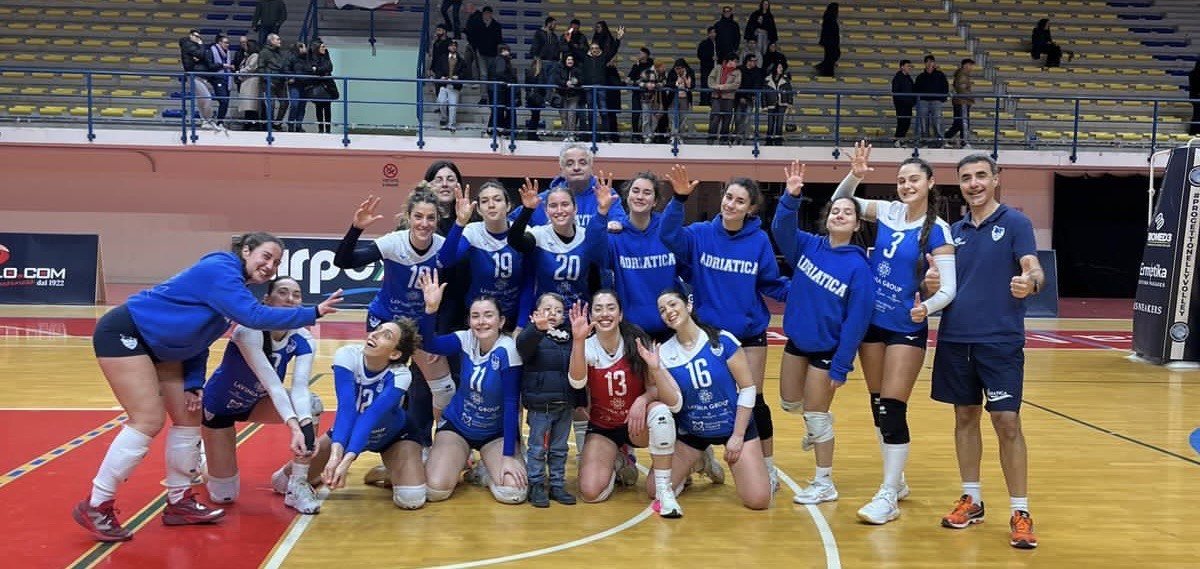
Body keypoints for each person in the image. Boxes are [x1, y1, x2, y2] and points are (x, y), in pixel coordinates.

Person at [74, 233, 342, 542]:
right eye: (266, 257)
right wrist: (313, 312)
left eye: (277, 262)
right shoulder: (220, 268)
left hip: (166, 349)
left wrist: (193, 382)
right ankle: (97, 504)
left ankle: (179, 501)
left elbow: (198, 340)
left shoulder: (234, 291)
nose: (270, 266)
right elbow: (253, 316)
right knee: (148, 420)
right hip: (127, 332)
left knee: (189, 417)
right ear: (246, 251)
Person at [831, 141, 957, 524]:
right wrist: (855, 175)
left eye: (913, 179)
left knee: (892, 406)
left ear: (930, 183)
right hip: (872, 324)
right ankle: (896, 480)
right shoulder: (887, 211)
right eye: (901, 180)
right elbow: (841, 203)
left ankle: (887, 495)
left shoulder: (938, 230)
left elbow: (949, 289)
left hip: (906, 327)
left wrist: (926, 308)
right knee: (877, 403)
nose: (906, 185)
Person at [933, 154, 1043, 549]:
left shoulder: (1015, 223)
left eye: (981, 175)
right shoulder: (952, 232)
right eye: (966, 178)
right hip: (955, 338)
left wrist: (1030, 281)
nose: (974, 183)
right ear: (959, 184)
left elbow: (1033, 267)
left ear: (996, 179)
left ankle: (1020, 510)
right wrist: (930, 281)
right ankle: (972, 499)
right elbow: (938, 281)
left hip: (1000, 340)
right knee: (965, 417)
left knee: (1007, 422)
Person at [661, 165, 788, 492]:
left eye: (740, 201)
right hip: (709, 337)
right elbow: (668, 235)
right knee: (697, 398)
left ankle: (767, 467)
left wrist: (805, 291)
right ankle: (698, 456)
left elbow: (770, 283)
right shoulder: (700, 234)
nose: (731, 204)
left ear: (751, 208)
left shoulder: (758, 241)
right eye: (729, 197)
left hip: (748, 335)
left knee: (755, 400)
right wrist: (678, 200)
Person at [771, 160, 874, 505]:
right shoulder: (809, 245)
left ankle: (824, 482)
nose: (840, 215)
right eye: (835, 210)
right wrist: (791, 197)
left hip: (827, 352)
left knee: (817, 416)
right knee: (789, 402)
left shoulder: (859, 268)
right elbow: (781, 228)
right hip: (796, 342)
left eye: (848, 212)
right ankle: (817, 424)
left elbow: (856, 323)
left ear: (857, 224)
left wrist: (841, 366)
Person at [332, 191, 457, 461]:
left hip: (421, 324)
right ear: (408, 217)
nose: (424, 223)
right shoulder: (393, 242)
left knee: (444, 388)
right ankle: (369, 444)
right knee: (380, 388)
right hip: (386, 321)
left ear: (438, 220)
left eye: (431, 218)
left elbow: (449, 294)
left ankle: (443, 447)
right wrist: (356, 228)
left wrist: (437, 333)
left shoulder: (443, 247)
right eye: (418, 217)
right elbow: (343, 261)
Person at [200, 276, 322, 514]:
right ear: (266, 300)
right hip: (221, 407)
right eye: (283, 293)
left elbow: (299, 388)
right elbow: (274, 385)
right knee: (223, 496)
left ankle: (292, 483)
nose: (290, 299)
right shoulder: (248, 331)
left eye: (296, 295)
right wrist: (295, 428)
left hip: (257, 402)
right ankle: (204, 456)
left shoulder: (303, 338)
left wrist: (306, 427)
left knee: (312, 403)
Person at [652, 288, 771, 510]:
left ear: (688, 305)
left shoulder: (722, 340)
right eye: (662, 310)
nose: (668, 311)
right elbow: (675, 404)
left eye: (672, 304)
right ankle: (700, 460)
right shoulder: (664, 353)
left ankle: (717, 458)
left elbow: (747, 388)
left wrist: (738, 435)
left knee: (758, 500)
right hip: (693, 431)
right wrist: (656, 370)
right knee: (653, 490)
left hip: (732, 426)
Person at [567, 292, 684, 515]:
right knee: (591, 493)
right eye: (598, 309)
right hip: (604, 426)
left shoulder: (637, 342)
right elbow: (577, 382)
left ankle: (664, 492)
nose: (604, 313)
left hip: (637, 424)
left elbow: (667, 396)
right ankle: (620, 460)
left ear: (620, 315)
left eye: (611, 308)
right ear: (591, 316)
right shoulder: (587, 346)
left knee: (660, 412)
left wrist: (643, 399)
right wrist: (578, 341)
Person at [417, 271, 528, 504]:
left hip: (495, 433)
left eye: (488, 315)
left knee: (513, 493)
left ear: (501, 321)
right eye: (475, 316)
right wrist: (430, 310)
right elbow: (429, 344)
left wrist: (508, 456)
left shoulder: (508, 350)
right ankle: (455, 459)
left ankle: (486, 471)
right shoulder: (466, 338)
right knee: (435, 491)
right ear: (469, 321)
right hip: (458, 426)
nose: (481, 321)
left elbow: (511, 405)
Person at [311, 318, 430, 510]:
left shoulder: (401, 374)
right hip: (348, 431)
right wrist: (335, 457)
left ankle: (386, 472)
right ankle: (323, 471)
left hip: (394, 436)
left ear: (395, 353)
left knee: (412, 499)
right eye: (378, 329)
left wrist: (346, 462)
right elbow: (346, 409)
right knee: (282, 483)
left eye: (386, 335)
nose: (374, 334)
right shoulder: (347, 355)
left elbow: (370, 417)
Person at [507, 175, 613, 322]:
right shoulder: (539, 234)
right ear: (546, 211)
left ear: (575, 209)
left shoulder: (587, 236)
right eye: (553, 206)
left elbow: (598, 278)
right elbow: (514, 240)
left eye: (565, 204)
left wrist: (602, 210)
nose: (559, 210)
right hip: (547, 318)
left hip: (580, 317)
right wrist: (527, 210)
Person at [518, 293, 580, 507]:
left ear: (564, 317)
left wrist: (578, 400)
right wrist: (537, 329)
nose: (553, 313)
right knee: (537, 448)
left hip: (565, 405)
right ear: (535, 314)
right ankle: (536, 483)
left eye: (558, 311)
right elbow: (522, 346)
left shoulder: (569, 338)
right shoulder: (533, 336)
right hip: (540, 407)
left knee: (559, 448)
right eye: (547, 309)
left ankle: (557, 484)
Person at [438, 182, 527, 328]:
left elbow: (529, 281)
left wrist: (521, 324)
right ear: (478, 209)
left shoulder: (524, 232)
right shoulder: (472, 231)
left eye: (497, 199)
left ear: (508, 206)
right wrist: (459, 223)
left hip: (512, 316)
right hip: (478, 316)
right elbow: (445, 261)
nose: (491, 205)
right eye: (485, 201)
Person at [605, 173, 681, 342]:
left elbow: (688, 270)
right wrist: (601, 218)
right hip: (631, 331)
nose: (640, 196)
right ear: (627, 197)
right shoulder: (615, 235)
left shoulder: (667, 231)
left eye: (647, 193)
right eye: (635, 191)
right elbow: (593, 257)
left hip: (671, 327)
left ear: (655, 201)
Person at [914, 55, 949, 147]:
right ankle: (924, 140)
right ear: (925, 64)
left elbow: (945, 86)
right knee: (923, 121)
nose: (929, 64)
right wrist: (917, 101)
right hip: (923, 101)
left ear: (934, 63)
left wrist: (942, 98)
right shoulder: (920, 76)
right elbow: (916, 89)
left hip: (936, 101)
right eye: (927, 62)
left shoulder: (940, 75)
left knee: (937, 121)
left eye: (931, 61)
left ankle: (939, 140)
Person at [431, 40, 466, 132]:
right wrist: (441, 77)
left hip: (454, 86)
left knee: (453, 106)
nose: (453, 47)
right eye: (451, 45)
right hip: (443, 85)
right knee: (441, 102)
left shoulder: (461, 60)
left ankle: (452, 124)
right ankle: (444, 117)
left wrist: (458, 77)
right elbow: (438, 70)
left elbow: (464, 72)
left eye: (455, 45)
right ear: (448, 47)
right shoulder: (442, 58)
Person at [707, 54, 742, 145]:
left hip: (729, 98)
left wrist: (724, 87)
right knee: (715, 118)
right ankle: (711, 138)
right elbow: (710, 79)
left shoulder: (737, 72)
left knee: (727, 119)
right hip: (716, 97)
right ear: (729, 61)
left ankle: (724, 139)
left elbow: (736, 85)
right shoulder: (718, 68)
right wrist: (716, 86)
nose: (736, 63)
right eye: (735, 61)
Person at [306, 39, 337, 134]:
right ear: (317, 48)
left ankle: (328, 129)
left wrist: (318, 69)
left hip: (328, 85)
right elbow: (312, 70)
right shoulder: (312, 57)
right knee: (319, 107)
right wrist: (321, 70)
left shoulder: (326, 55)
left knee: (327, 108)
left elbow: (329, 67)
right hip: (317, 85)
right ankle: (320, 129)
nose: (324, 48)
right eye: (322, 47)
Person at [944, 59, 975, 148]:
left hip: (960, 101)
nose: (972, 67)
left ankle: (945, 137)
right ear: (965, 65)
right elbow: (962, 90)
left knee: (958, 123)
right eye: (971, 65)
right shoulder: (962, 75)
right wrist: (971, 97)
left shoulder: (961, 74)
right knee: (963, 122)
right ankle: (964, 142)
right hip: (962, 102)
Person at [763, 63, 792, 146]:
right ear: (775, 68)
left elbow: (790, 92)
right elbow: (764, 93)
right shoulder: (767, 79)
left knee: (780, 122)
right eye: (779, 67)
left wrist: (790, 103)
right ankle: (769, 139)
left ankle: (778, 139)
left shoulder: (786, 79)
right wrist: (764, 105)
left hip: (782, 103)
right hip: (771, 103)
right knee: (770, 122)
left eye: (781, 67)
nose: (781, 69)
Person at [891, 59, 915, 145]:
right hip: (901, 105)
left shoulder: (909, 78)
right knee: (902, 122)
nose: (909, 68)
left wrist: (912, 101)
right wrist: (902, 101)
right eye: (908, 66)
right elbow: (895, 92)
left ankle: (901, 139)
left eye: (910, 66)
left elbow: (913, 90)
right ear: (902, 67)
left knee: (906, 123)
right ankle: (897, 140)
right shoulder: (897, 78)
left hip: (908, 104)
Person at [815, 2, 840, 77]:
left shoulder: (828, 18)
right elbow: (831, 32)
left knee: (830, 57)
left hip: (829, 42)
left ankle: (823, 68)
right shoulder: (830, 19)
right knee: (831, 57)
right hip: (831, 42)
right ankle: (826, 72)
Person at [697, 27, 717, 106]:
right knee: (705, 85)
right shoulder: (704, 43)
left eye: (714, 32)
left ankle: (711, 102)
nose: (713, 34)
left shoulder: (718, 43)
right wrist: (710, 57)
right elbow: (700, 55)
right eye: (711, 33)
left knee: (714, 86)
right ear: (708, 34)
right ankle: (704, 103)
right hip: (706, 68)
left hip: (716, 68)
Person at [1188, 60, 1199, 136]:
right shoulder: (1194, 74)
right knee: (1197, 114)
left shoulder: (1191, 73)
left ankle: (1193, 131)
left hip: (1194, 96)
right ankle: (1194, 131)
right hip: (1196, 96)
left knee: (1196, 114)